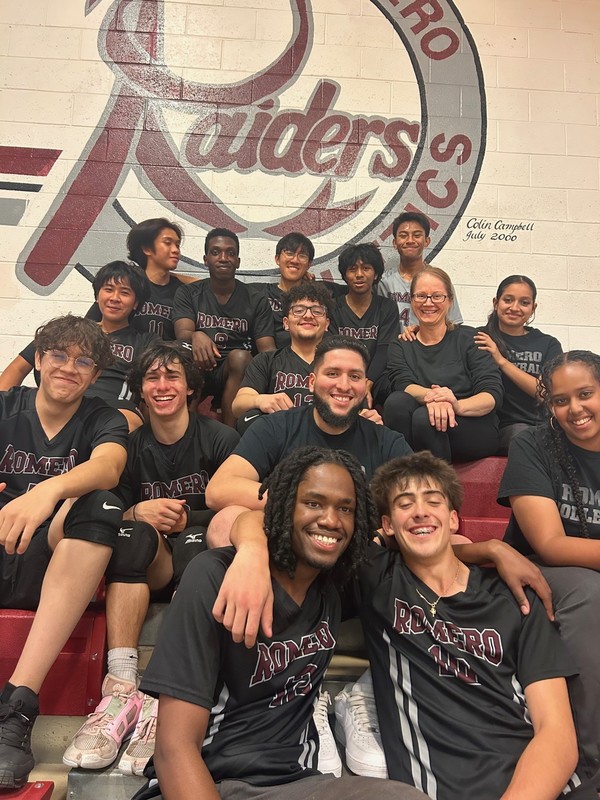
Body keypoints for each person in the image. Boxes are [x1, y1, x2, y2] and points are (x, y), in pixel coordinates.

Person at [131, 446, 428, 800]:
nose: (331, 520)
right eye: (314, 503)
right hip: (211, 780)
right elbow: (173, 750)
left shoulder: (336, 582)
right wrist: (253, 551)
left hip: (297, 783)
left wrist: (491, 551)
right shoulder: (214, 577)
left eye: (345, 508)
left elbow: (431, 555)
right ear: (284, 506)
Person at [358, 451, 591, 800]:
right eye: (405, 504)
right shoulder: (379, 580)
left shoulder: (513, 598)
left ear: (453, 519)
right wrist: (491, 549)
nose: (421, 511)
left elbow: (556, 731)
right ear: (388, 525)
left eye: (433, 501)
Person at [63, 341, 239, 776]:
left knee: (201, 546)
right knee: (132, 533)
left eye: (172, 376)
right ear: (139, 389)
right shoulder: (131, 445)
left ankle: (165, 694)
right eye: (152, 378)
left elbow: (237, 509)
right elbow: (105, 508)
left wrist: (188, 518)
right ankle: (123, 684)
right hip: (149, 563)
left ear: (190, 386)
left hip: (194, 567)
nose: (162, 386)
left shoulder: (220, 438)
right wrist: (137, 510)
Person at [0, 316, 128, 790]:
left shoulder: (102, 418)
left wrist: (45, 492)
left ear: (95, 376)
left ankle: (17, 707)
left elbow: (109, 467)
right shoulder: (6, 407)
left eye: (83, 361)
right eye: (58, 355)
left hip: (53, 555)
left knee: (100, 501)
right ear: (37, 360)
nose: (69, 368)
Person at [498, 350, 600, 783]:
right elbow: (551, 545)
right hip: (537, 571)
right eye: (561, 400)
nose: (574, 409)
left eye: (586, 394)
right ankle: (591, 763)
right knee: (589, 593)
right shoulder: (533, 444)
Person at [205, 336, 412, 542]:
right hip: (287, 546)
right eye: (332, 373)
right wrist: (307, 503)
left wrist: (382, 537)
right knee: (225, 521)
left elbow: (424, 499)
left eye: (355, 376)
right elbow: (219, 489)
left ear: (364, 386)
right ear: (311, 383)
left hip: (355, 551)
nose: (343, 385)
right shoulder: (277, 427)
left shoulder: (386, 440)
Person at [1, 260, 157, 432]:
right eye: (108, 289)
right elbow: (17, 368)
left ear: (136, 303)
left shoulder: (147, 342)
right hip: (59, 401)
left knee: (128, 423)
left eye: (125, 293)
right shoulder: (68, 330)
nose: (114, 298)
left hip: (112, 407)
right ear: (97, 296)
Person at [383, 267, 503, 462]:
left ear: (450, 301)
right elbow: (402, 384)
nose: (428, 303)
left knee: (424, 418)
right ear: (412, 301)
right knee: (396, 403)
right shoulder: (402, 344)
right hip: (423, 424)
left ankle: (437, 486)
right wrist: (436, 397)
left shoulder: (471, 339)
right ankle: (402, 476)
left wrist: (455, 405)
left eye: (437, 296)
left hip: (471, 424)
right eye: (421, 296)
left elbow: (491, 394)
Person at [173, 228, 276, 426]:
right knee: (186, 353)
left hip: (236, 371)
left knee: (241, 357)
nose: (223, 258)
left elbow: (267, 349)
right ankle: (186, 431)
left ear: (238, 261)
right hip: (198, 364)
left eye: (230, 253)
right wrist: (196, 335)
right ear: (205, 259)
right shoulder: (188, 293)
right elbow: (182, 333)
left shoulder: (255, 299)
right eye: (215, 252)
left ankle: (230, 437)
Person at [474, 275, 563, 452]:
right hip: (495, 427)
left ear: (533, 307)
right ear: (496, 302)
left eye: (524, 302)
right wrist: (415, 331)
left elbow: (546, 393)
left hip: (539, 425)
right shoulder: (478, 337)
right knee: (523, 436)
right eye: (508, 300)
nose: (515, 308)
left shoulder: (548, 344)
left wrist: (501, 361)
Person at [232, 283, 333, 433]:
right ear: (286, 323)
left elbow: (359, 408)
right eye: (298, 310)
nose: (308, 315)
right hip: (280, 439)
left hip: (325, 439)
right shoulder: (266, 361)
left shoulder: (339, 363)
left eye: (317, 311)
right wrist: (261, 400)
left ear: (327, 324)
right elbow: (238, 405)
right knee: (248, 419)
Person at [85, 217, 196, 340]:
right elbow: (88, 326)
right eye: (167, 243)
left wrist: (173, 276)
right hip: (126, 355)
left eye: (177, 245)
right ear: (146, 248)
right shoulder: (128, 285)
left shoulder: (182, 291)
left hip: (166, 357)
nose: (176, 250)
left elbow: (211, 285)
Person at [330, 243, 399, 407]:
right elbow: (334, 351)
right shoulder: (333, 308)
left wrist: (367, 382)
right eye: (352, 269)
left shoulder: (387, 307)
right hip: (343, 375)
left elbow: (384, 350)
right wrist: (353, 381)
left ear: (375, 274)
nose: (359, 275)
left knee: (397, 394)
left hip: (377, 377)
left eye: (366, 268)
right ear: (345, 275)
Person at [248, 232, 345, 348]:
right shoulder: (259, 292)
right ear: (277, 259)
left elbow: (359, 288)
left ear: (309, 264)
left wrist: (310, 286)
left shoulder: (322, 294)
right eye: (289, 253)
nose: (295, 260)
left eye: (302, 256)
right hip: (271, 359)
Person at [377, 212, 462, 331]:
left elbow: (454, 324)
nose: (410, 240)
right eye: (403, 235)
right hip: (394, 347)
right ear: (395, 243)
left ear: (427, 241)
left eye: (417, 235)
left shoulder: (440, 281)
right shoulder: (384, 283)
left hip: (431, 347)